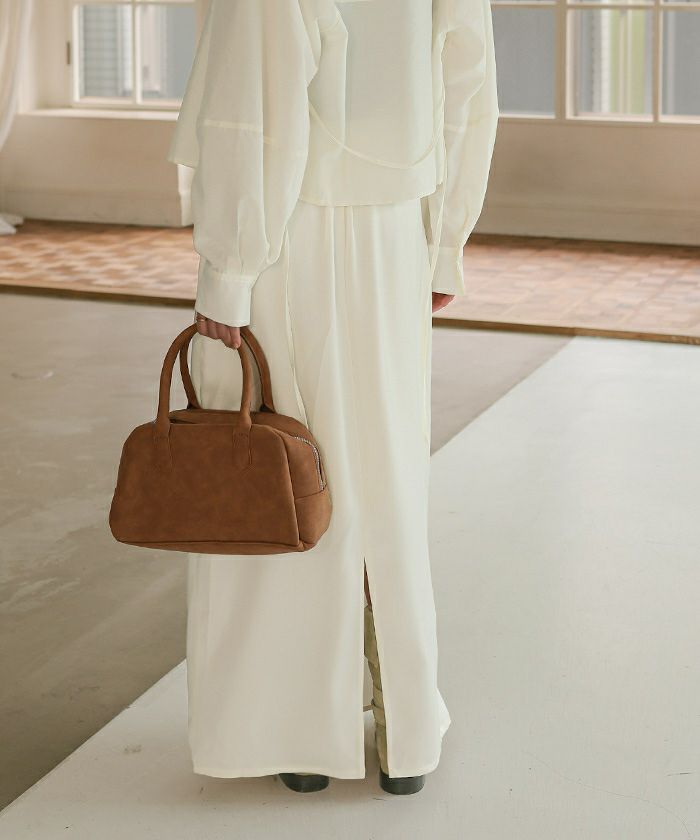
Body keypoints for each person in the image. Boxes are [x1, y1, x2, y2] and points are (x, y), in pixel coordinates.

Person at [167, 0, 498, 796]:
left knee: (280, 478)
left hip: (293, 237)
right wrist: (442, 242)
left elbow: (253, 104)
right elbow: (468, 76)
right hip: (394, 234)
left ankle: (303, 733)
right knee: (384, 483)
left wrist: (229, 270)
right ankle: (401, 733)